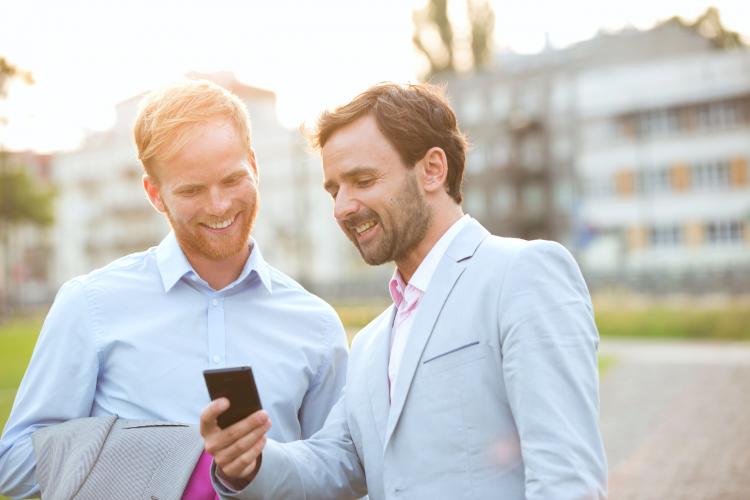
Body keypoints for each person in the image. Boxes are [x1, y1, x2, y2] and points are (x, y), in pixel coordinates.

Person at [201, 82, 608, 499]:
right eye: (335, 189)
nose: (343, 207)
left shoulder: (521, 274)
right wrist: (250, 463)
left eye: (363, 179)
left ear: (432, 169)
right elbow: (332, 463)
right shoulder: (371, 342)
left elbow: (567, 479)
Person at [0, 79, 349, 498]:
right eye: (192, 190)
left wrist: (253, 470)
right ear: (155, 194)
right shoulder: (90, 304)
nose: (219, 205)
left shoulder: (315, 324)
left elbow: (339, 474)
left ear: (254, 166)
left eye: (232, 179)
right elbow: (13, 464)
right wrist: (159, 451)